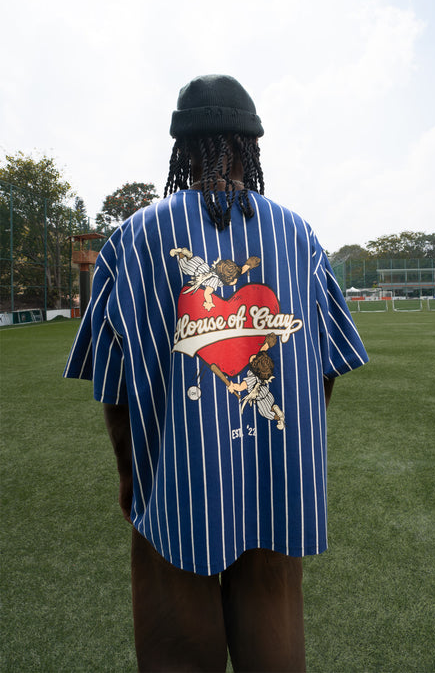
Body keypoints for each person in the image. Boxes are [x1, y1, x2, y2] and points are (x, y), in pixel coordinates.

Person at [64, 74, 369, 672]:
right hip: (279, 492)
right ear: (250, 145)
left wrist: (132, 477)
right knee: (275, 651)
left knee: (177, 652)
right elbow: (326, 368)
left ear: (180, 148)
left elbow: (115, 388)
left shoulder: (133, 238)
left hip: (177, 488)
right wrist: (283, 442)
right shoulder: (299, 236)